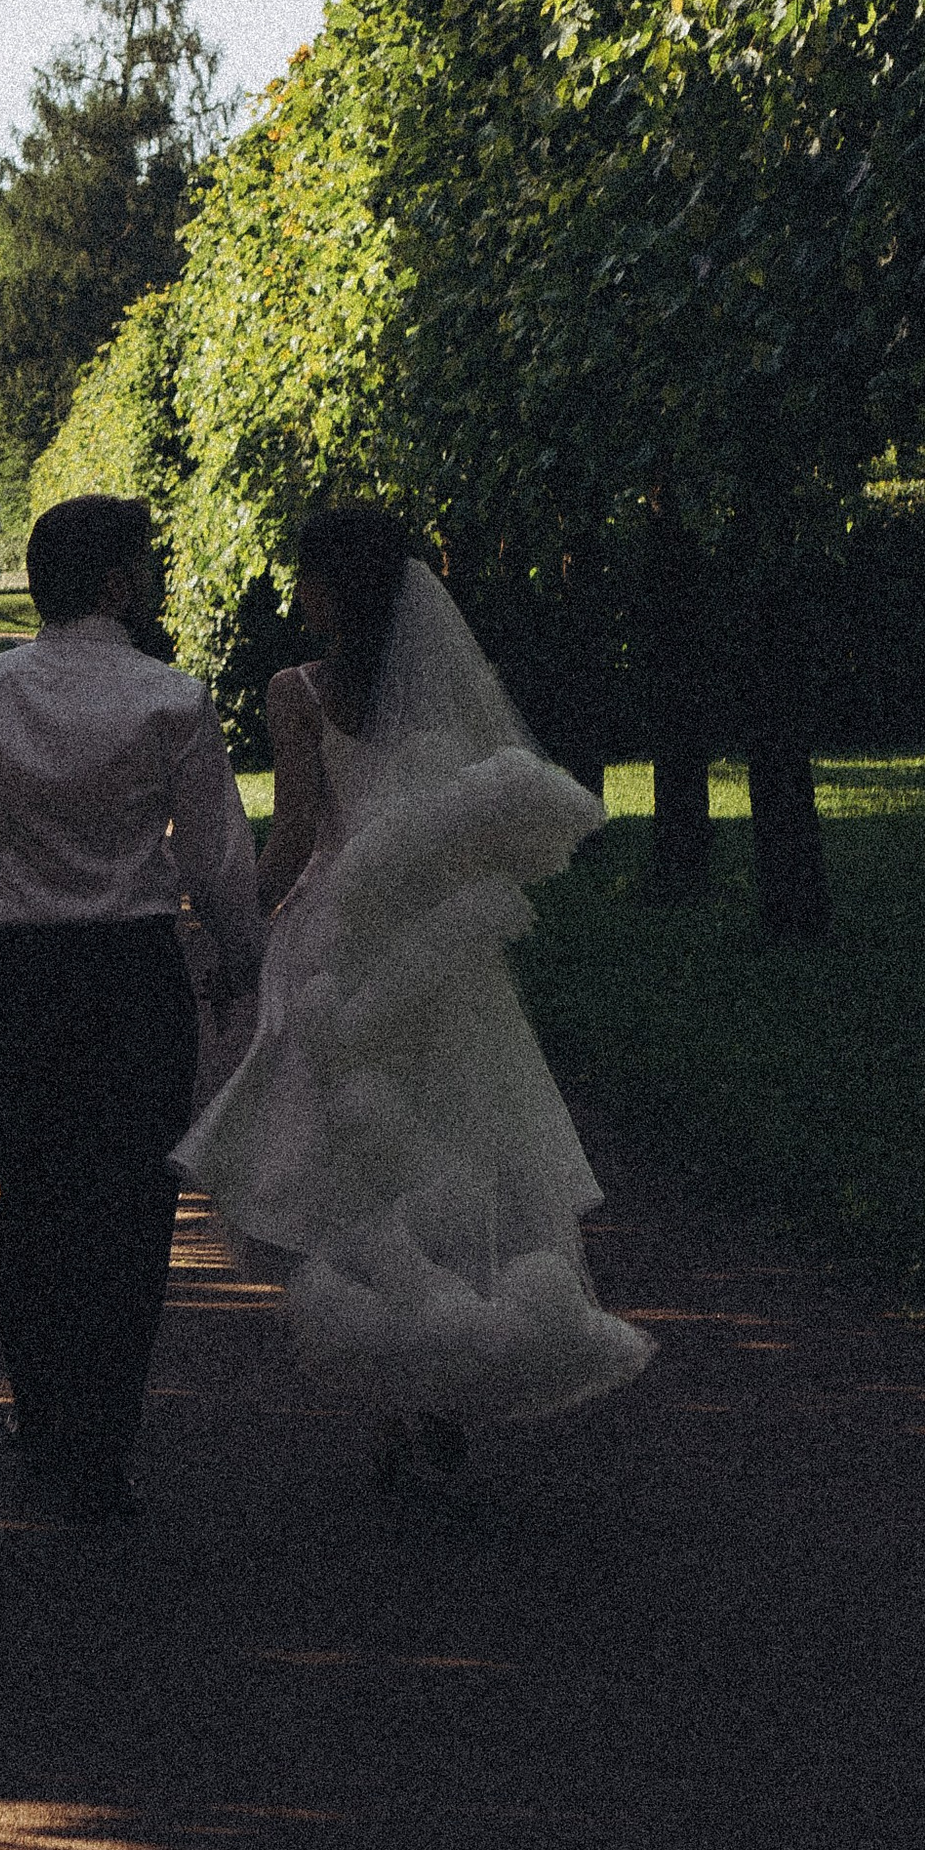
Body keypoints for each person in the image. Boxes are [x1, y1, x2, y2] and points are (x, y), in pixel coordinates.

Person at [177, 505, 654, 1492]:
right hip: (433, 947)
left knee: (347, 1158)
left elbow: (296, 836)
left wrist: (230, 931)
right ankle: (454, 1355)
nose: (297, 591)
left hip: (337, 949)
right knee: (454, 1138)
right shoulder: (438, 696)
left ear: (329, 588)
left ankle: (397, 1375)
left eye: (305, 575)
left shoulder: (298, 693)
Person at [0, 492, 264, 1524]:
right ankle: (104, 1443)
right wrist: (239, 962)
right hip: (133, 979)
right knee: (132, 1215)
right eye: (144, 566)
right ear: (115, 584)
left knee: (32, 1203)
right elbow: (218, 858)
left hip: (16, 981)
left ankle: (43, 1413)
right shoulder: (171, 700)